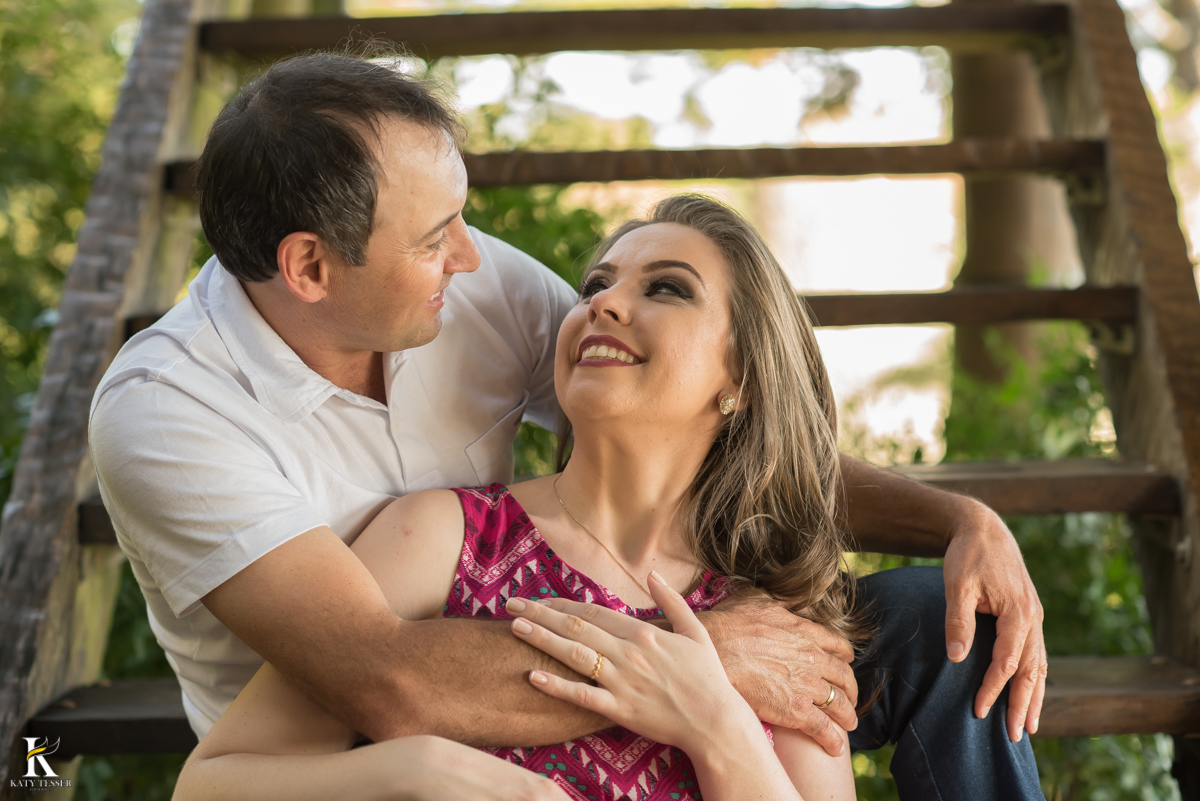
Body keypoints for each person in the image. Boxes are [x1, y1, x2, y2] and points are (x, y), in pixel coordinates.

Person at [89, 52, 1046, 800]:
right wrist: (699, 657)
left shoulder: (471, 286)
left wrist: (959, 519)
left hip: (593, 625)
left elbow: (708, 414)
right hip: (362, 724)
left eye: (657, 288)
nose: (473, 258)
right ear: (309, 268)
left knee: (945, 621)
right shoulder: (173, 413)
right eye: (435, 239)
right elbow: (384, 686)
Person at [173, 193, 869, 801]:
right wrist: (415, 766)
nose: (603, 302)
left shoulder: (775, 626)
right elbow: (212, 785)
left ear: (743, 375)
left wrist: (714, 720)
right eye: (596, 284)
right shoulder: (445, 538)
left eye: (667, 289)